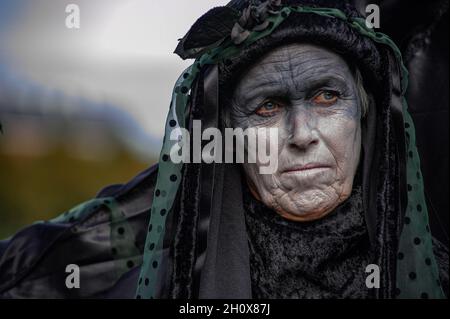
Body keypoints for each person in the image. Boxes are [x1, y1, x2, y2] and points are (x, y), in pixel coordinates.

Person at [0, 0, 447, 299]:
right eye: (268, 107)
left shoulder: (433, 277)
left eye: (327, 97)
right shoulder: (161, 287)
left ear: (365, 116)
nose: (301, 134)